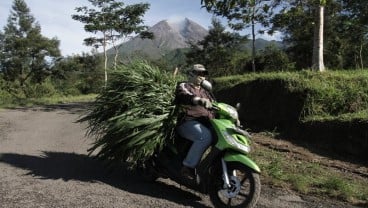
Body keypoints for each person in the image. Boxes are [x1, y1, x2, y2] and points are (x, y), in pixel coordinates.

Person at [174, 64, 215, 180]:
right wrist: (197, 100)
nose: (202, 77)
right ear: (191, 74)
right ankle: (187, 167)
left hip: (205, 123)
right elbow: (184, 95)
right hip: (188, 121)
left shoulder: (206, 92)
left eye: (204, 74)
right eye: (199, 74)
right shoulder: (185, 85)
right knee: (205, 137)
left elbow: (216, 105)